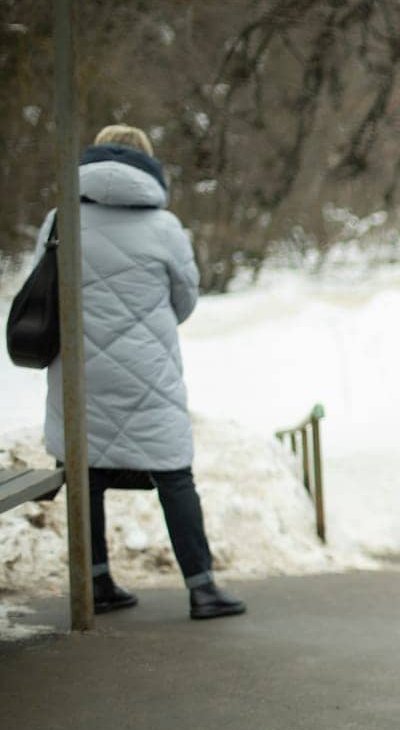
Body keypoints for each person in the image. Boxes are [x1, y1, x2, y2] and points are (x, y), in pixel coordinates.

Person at [34, 124, 245, 621]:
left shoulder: (60, 217)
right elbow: (185, 300)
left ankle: (98, 580)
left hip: (78, 372)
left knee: (86, 471)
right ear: (147, 165)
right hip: (147, 373)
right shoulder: (166, 227)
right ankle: (203, 589)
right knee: (174, 475)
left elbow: (41, 288)